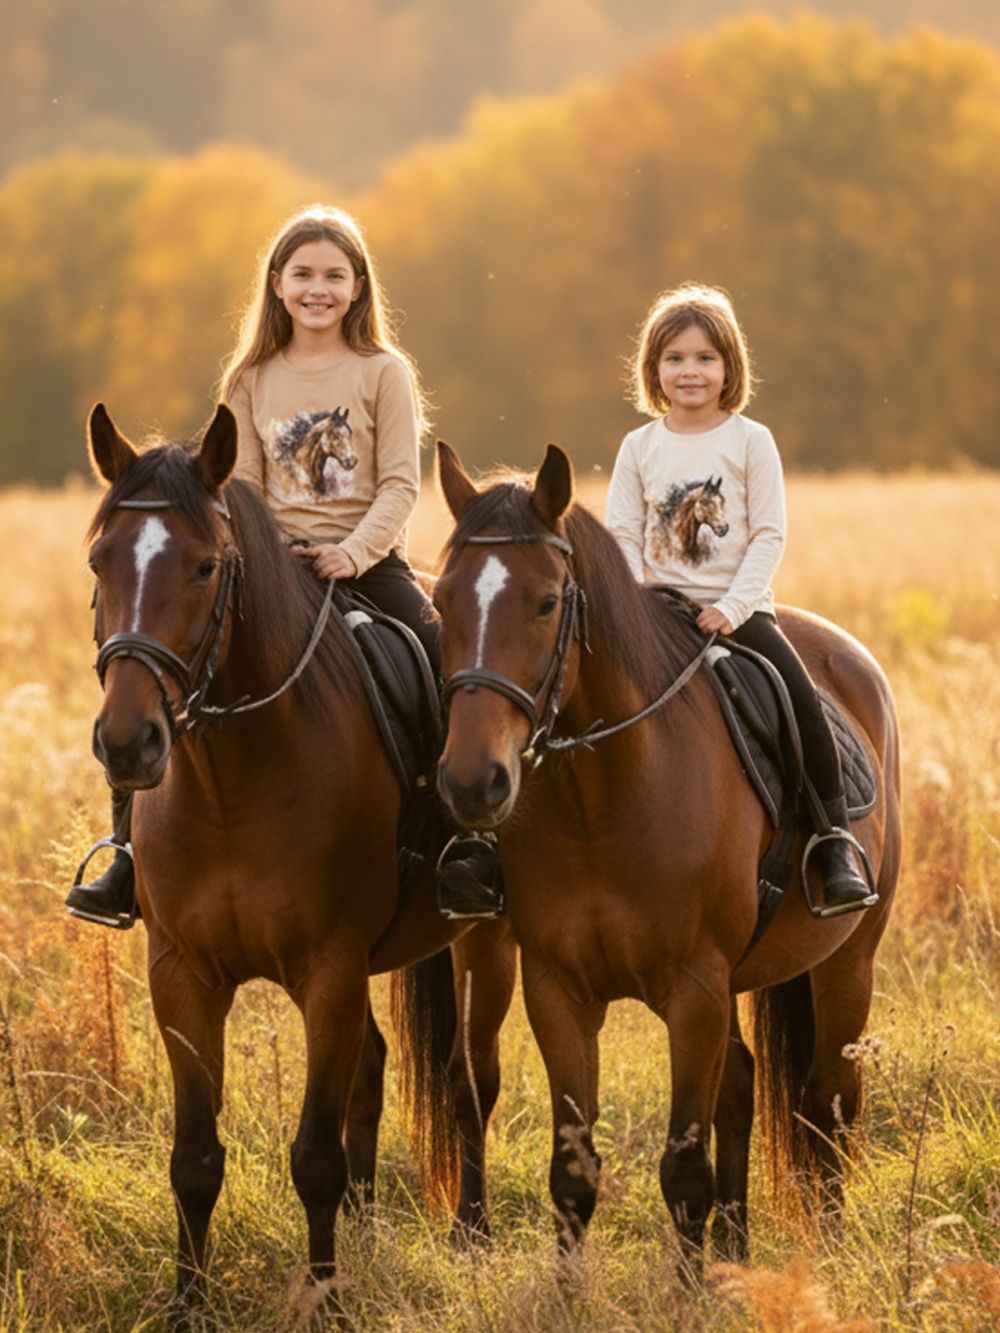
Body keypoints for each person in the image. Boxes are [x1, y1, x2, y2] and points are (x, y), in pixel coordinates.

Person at [66, 205, 501, 928]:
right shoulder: (251, 376)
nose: (318, 289)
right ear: (276, 283)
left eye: (335, 275)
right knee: (153, 663)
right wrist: (274, 555)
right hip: (270, 571)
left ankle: (466, 846)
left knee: (437, 661)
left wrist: (351, 551)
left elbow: (399, 482)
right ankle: (127, 850)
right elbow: (238, 487)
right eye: (303, 274)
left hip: (367, 565)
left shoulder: (382, 372)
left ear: (359, 287)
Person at [604, 282, 875, 915]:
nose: (690, 371)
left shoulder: (750, 440)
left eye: (705, 358)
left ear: (730, 367)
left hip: (738, 613)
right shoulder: (639, 447)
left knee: (797, 697)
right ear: (654, 370)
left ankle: (833, 840)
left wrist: (732, 606)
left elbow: (769, 532)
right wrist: (641, 600)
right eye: (675, 359)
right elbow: (620, 533)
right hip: (657, 616)